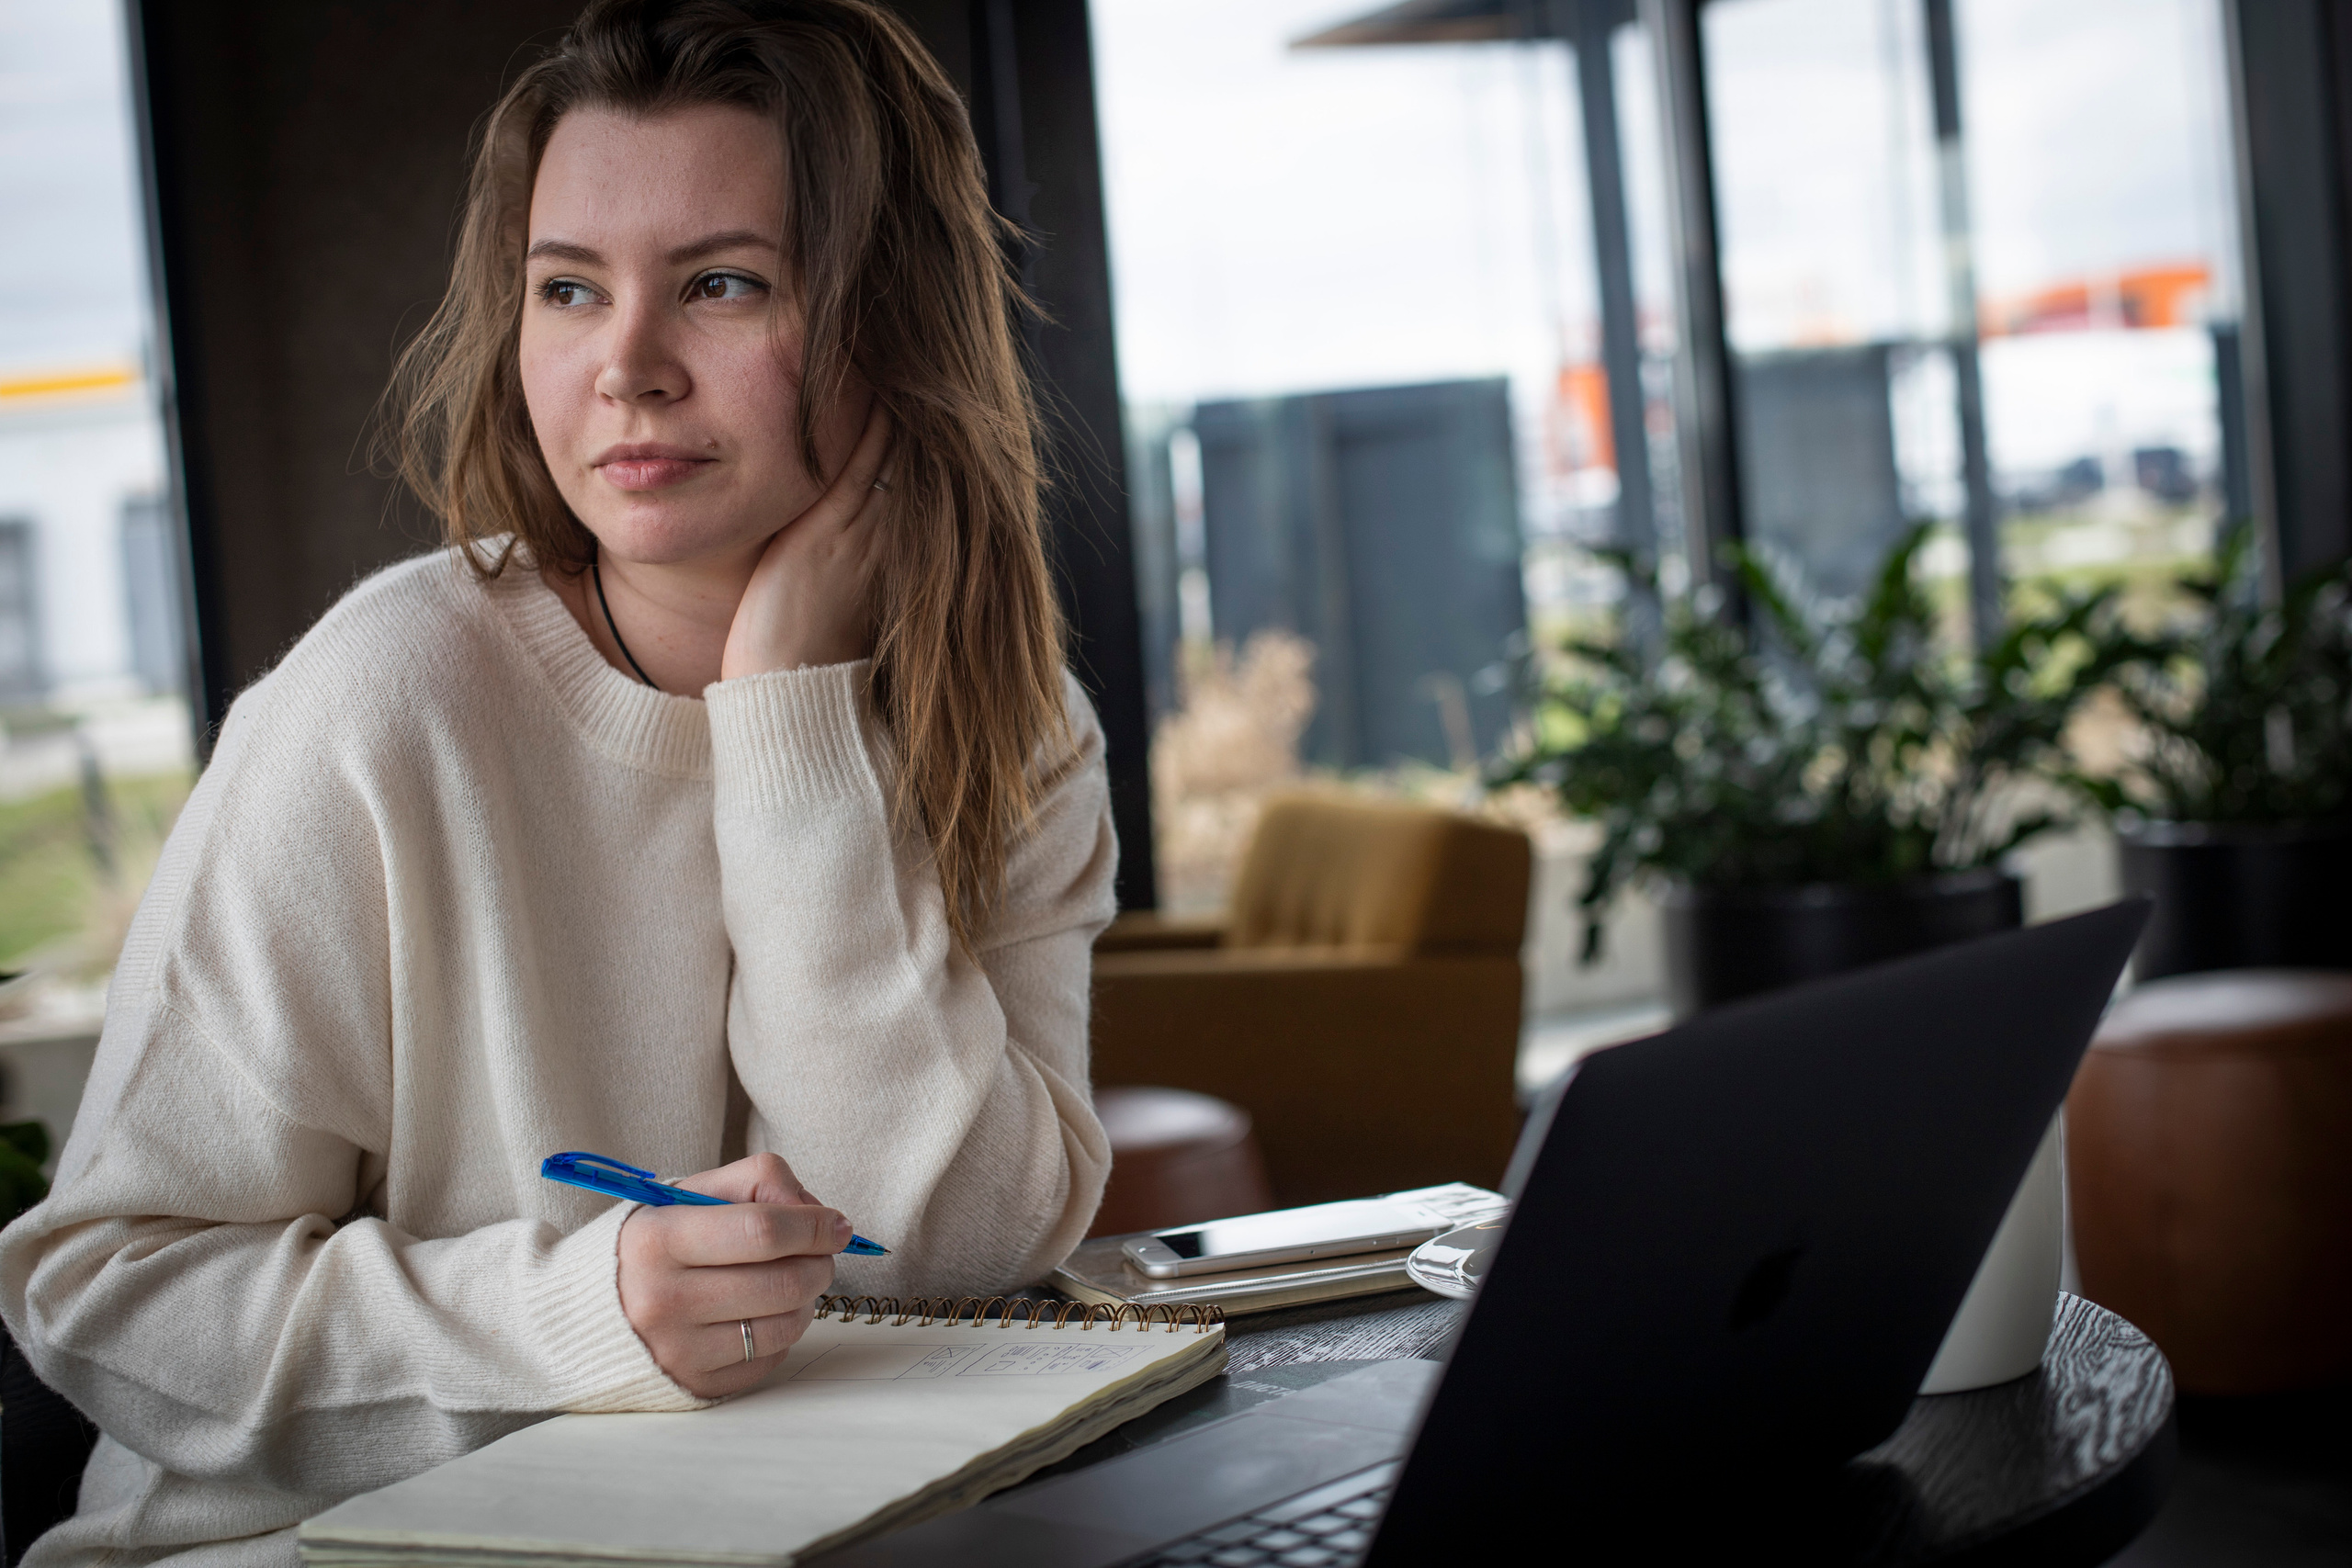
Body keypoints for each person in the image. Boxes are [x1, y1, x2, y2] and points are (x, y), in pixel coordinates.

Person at [0, 3, 1115, 1562]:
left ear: (896, 322)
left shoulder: (1013, 720)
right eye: (569, 290)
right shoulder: (383, 703)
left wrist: (787, 715)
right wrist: (571, 1313)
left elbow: (944, 1248)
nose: (627, 369)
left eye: (724, 284)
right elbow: (106, 1291)